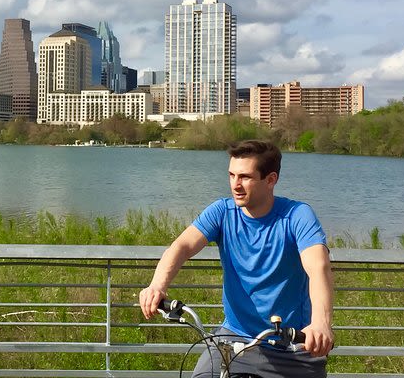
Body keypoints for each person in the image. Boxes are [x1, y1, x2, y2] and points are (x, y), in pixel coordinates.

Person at [139, 140, 334, 378]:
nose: (235, 185)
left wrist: (320, 323)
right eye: (231, 175)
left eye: (245, 177)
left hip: (291, 344)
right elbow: (182, 246)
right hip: (233, 338)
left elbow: (318, 267)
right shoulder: (222, 212)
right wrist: (157, 285)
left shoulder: (297, 216)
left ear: (270, 180)